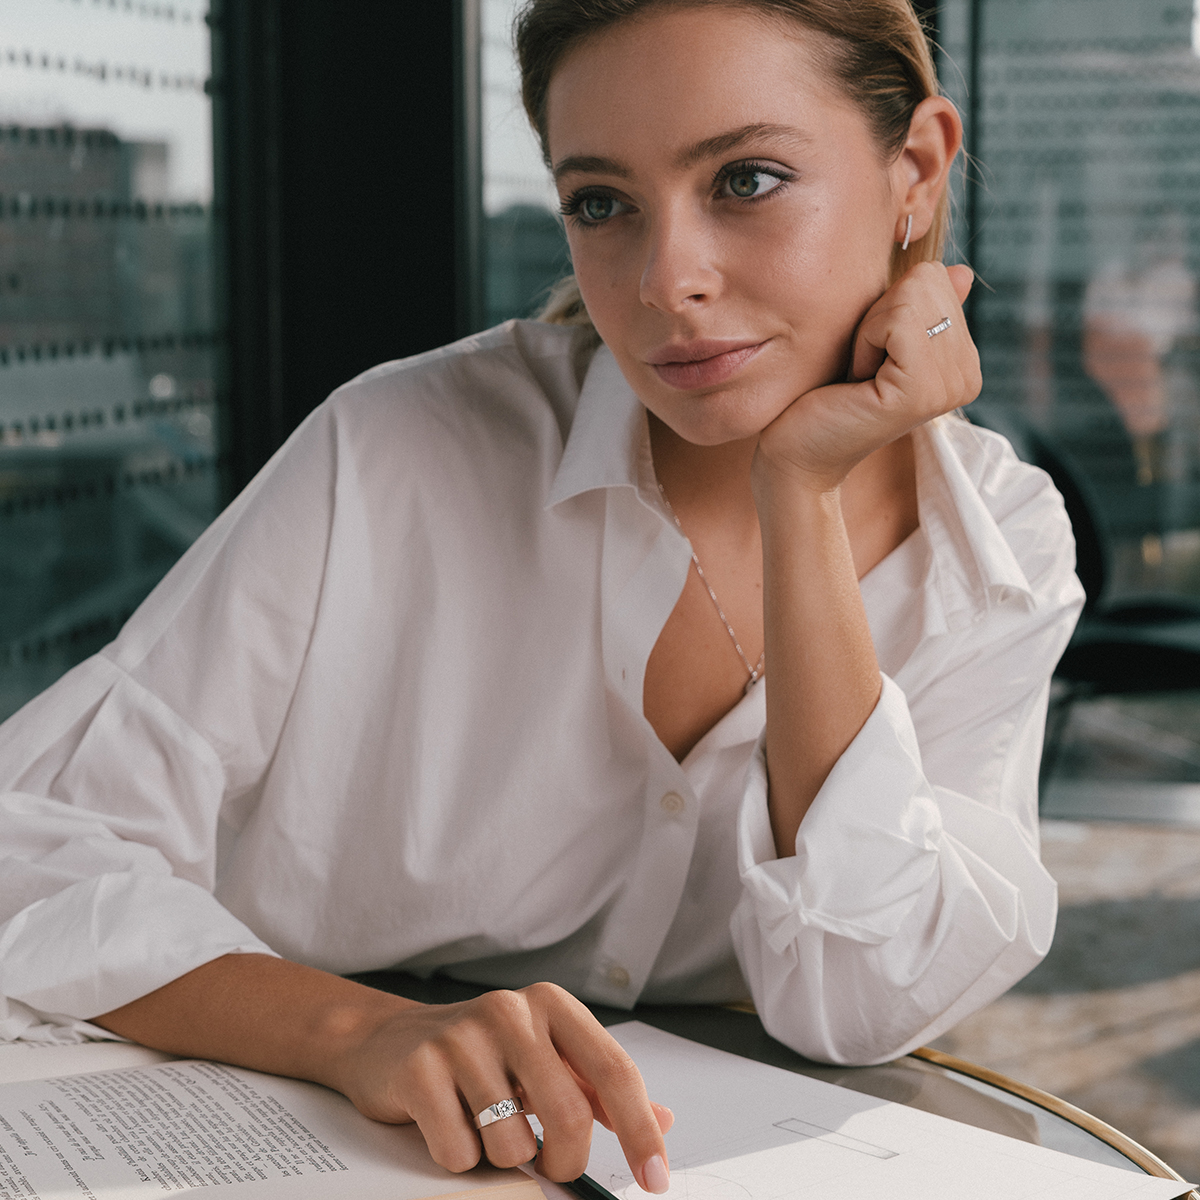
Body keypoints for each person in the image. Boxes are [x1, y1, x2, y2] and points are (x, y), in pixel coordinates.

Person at [0, 0, 1083, 1192]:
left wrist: (802, 492)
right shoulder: (397, 449)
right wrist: (356, 1031)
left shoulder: (1000, 549)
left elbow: (862, 1002)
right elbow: (28, 850)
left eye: (748, 179)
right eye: (602, 204)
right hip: (308, 1139)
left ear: (917, 169)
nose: (667, 281)